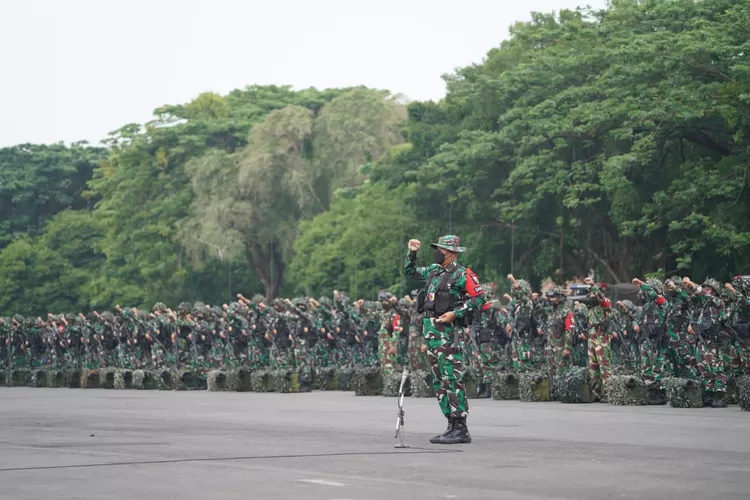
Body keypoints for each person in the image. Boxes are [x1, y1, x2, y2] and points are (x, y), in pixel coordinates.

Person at [405, 235, 486, 445]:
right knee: (439, 379)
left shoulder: (462, 274)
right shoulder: (434, 271)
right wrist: (412, 254)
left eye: (440, 249)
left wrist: (456, 313)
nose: (437, 252)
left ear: (450, 252)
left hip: (448, 332)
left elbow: (479, 298)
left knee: (451, 377)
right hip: (431, 332)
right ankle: (450, 424)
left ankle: (460, 426)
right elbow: (411, 273)